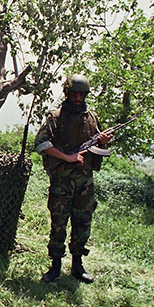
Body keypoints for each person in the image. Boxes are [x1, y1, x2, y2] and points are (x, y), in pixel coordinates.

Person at [34, 74, 112, 284]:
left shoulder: (92, 118)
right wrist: (67, 156)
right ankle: (55, 265)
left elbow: (97, 148)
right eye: (74, 93)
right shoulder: (55, 117)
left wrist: (103, 142)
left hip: (85, 182)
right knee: (58, 223)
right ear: (67, 93)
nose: (78, 98)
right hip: (62, 181)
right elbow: (41, 144)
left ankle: (77, 265)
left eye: (81, 94)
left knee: (83, 222)